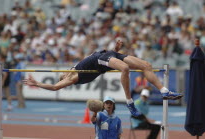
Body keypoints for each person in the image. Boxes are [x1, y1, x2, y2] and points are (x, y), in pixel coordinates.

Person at [23, 40, 183, 117]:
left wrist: (115, 50)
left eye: (63, 74)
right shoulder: (73, 78)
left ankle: (164, 91)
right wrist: (36, 83)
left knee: (146, 65)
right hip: (102, 60)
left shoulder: (74, 67)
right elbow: (55, 87)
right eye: (62, 76)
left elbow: (108, 58)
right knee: (125, 69)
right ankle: (130, 103)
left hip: (109, 53)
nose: (64, 73)